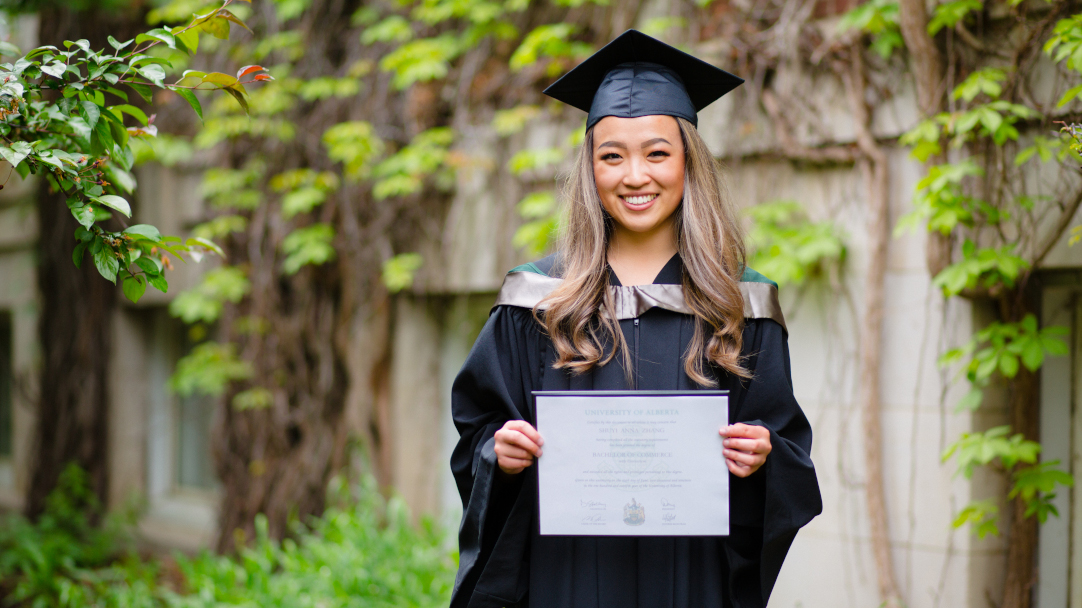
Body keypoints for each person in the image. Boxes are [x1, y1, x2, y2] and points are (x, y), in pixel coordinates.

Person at [450, 30, 822, 608]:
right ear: (590, 168)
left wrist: (764, 458)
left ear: (688, 162)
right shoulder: (537, 301)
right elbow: (477, 433)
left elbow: (788, 453)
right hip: (563, 581)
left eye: (657, 153)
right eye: (612, 155)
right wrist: (499, 453)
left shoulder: (741, 304)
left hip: (691, 584)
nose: (634, 176)